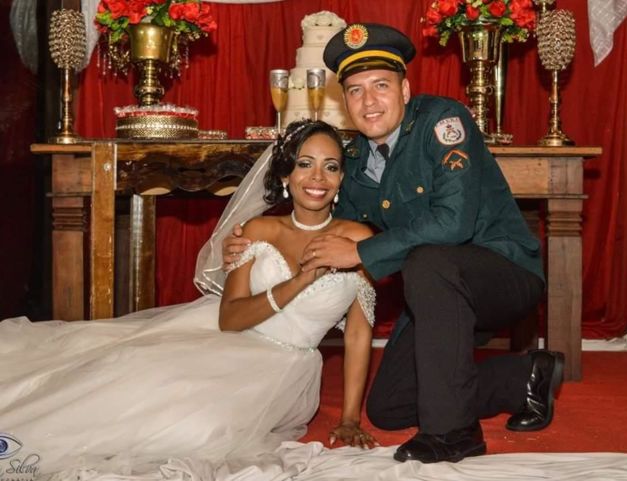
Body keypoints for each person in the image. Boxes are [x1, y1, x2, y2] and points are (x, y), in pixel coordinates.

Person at [223, 23, 565, 464]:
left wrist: (360, 252)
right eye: (356, 90)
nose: (369, 101)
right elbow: (323, 219)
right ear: (345, 101)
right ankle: (525, 377)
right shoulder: (354, 162)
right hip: (438, 295)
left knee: (427, 259)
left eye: (381, 86)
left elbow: (454, 223)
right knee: (390, 407)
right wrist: (254, 241)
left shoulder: (442, 122)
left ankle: (453, 433)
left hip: (503, 274)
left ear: (405, 90)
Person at [0, 120, 377, 477]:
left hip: (283, 372)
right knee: (127, 368)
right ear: (284, 176)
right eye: (305, 164)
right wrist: (300, 280)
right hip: (222, 336)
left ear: (341, 178)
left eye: (330, 167)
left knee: (196, 429)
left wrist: (349, 418)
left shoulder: (359, 239)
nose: (318, 177)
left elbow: (359, 334)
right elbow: (230, 319)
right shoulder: (257, 230)